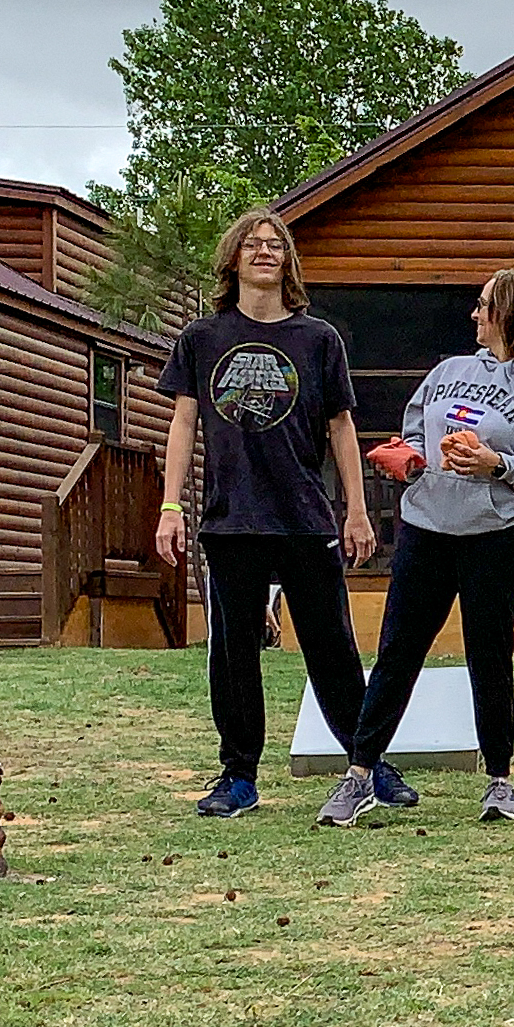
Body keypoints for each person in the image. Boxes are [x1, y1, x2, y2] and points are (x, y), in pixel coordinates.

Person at [317, 266, 514, 829]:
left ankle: (500, 781)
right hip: (427, 530)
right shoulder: (449, 371)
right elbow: (416, 429)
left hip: (501, 537)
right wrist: (407, 456)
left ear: (512, 313)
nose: (474, 314)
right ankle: (361, 774)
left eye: (484, 305)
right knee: (398, 652)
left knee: (489, 655)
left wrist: (497, 463)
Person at [154, 207, 390, 818]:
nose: (265, 252)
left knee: (332, 645)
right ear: (233, 260)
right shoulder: (201, 340)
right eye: (253, 244)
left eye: (276, 245)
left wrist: (357, 510)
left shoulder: (318, 340)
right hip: (230, 519)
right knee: (233, 653)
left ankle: (367, 764)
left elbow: (342, 427)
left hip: (306, 517)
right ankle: (238, 777)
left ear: (288, 262)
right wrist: (171, 506)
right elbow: (182, 425)